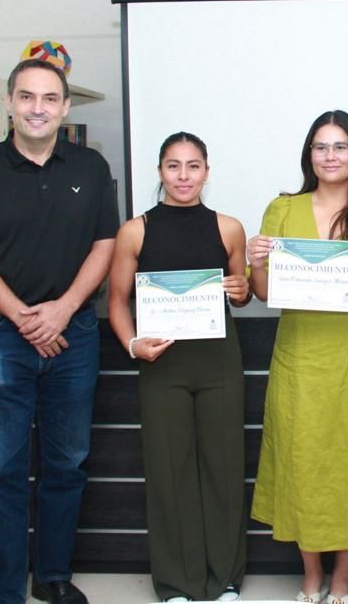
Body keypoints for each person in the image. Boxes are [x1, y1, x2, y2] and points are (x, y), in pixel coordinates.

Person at [0, 59, 118, 604]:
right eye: (26, 97)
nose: (37, 108)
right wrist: (24, 316)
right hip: (2, 335)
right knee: (2, 470)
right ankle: (2, 591)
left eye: (49, 98)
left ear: (66, 107)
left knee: (67, 463)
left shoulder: (90, 167)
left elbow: (105, 245)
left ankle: (52, 578)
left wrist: (64, 309)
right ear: (9, 103)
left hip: (76, 334)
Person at [246, 110, 348, 604]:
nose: (330, 156)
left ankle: (341, 576)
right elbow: (264, 291)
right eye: (321, 147)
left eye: (340, 146)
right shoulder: (283, 209)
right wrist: (255, 263)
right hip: (301, 354)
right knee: (304, 459)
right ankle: (311, 573)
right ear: (309, 155)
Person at [107, 132, 250, 603]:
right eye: (174, 166)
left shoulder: (228, 228)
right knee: (170, 471)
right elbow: (116, 303)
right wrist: (132, 345)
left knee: (223, 469)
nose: (183, 176)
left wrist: (240, 291)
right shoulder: (135, 231)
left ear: (207, 172)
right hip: (162, 362)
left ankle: (224, 580)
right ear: (160, 171)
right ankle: (176, 584)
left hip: (218, 361)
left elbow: (242, 292)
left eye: (193, 166)